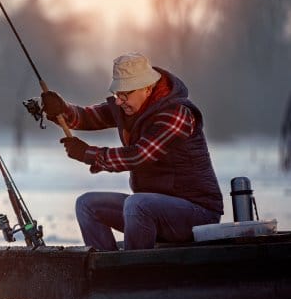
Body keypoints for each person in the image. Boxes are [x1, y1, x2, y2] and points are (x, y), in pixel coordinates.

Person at [39, 52, 223, 250]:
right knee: (86, 204)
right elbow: (84, 117)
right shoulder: (129, 107)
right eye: (118, 94)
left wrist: (89, 154)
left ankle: (132, 271)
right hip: (151, 208)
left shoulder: (177, 113)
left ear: (147, 88)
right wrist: (60, 109)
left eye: (126, 93)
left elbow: (140, 155)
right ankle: (104, 270)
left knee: (137, 204)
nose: (119, 101)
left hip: (197, 214)